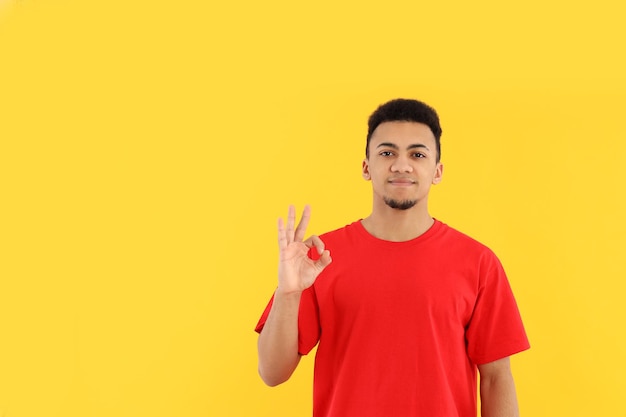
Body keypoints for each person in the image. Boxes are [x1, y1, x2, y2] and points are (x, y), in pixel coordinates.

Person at [255, 98, 530, 417]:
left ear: (437, 171)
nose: (402, 165)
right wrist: (288, 294)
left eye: (417, 154)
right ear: (366, 167)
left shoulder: (479, 262)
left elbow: (496, 378)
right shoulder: (318, 258)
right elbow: (272, 373)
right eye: (387, 153)